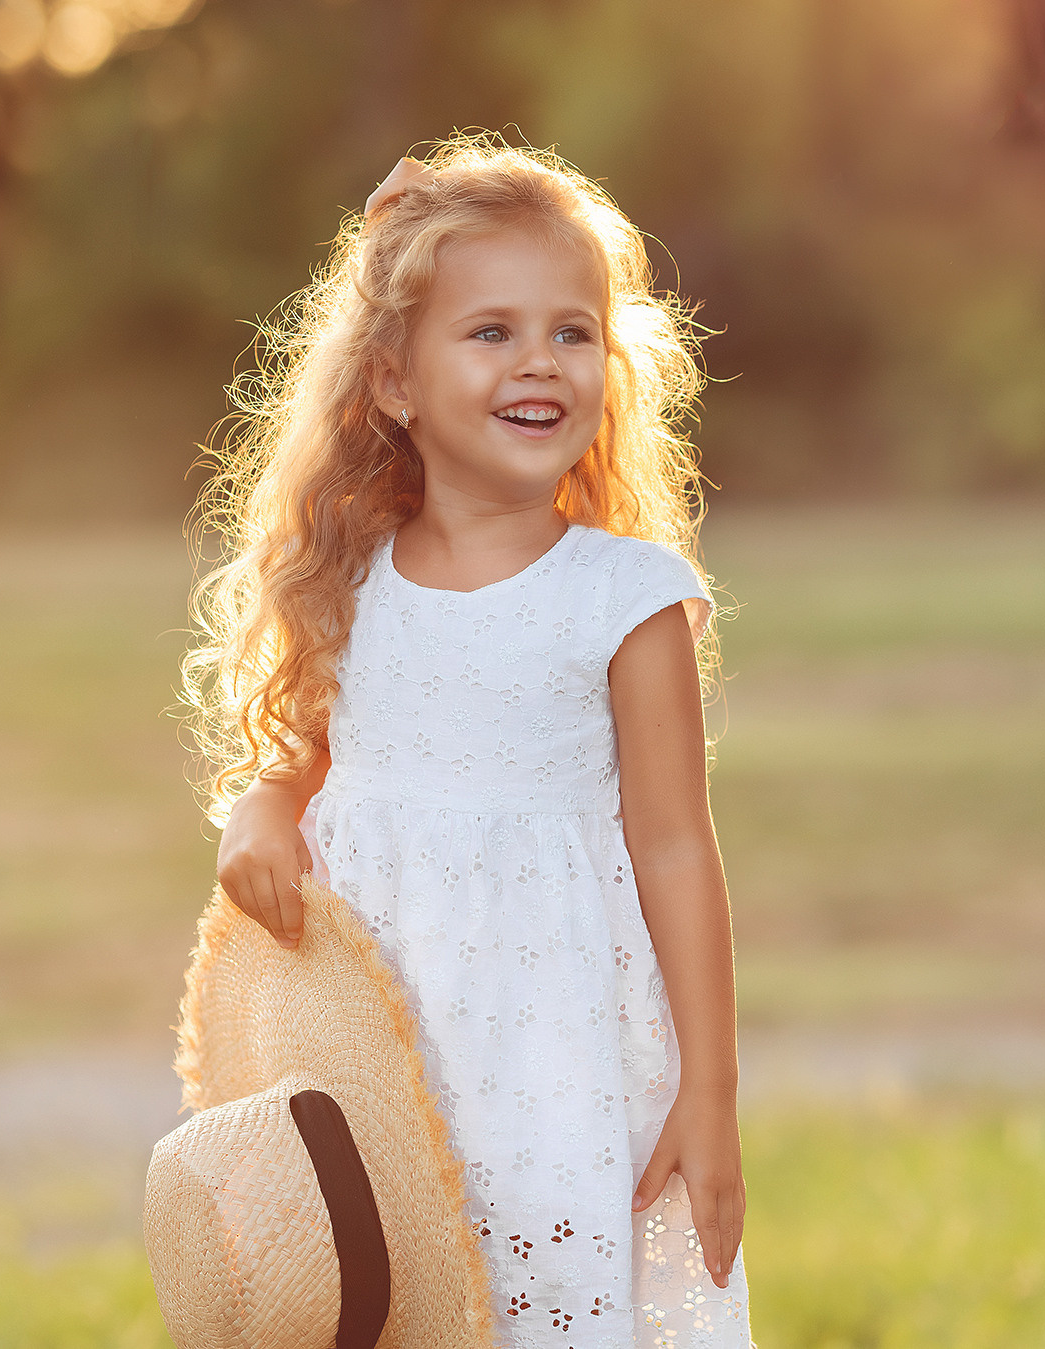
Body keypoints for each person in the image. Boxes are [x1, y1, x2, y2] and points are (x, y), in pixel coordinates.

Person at [184, 136, 754, 1345]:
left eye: (572, 330)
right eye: (490, 331)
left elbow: (672, 844)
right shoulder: (353, 581)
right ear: (392, 381)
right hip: (382, 1052)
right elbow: (310, 759)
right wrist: (258, 813)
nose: (538, 360)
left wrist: (711, 1088)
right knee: (399, 1303)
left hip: (557, 1061)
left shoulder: (624, 596)